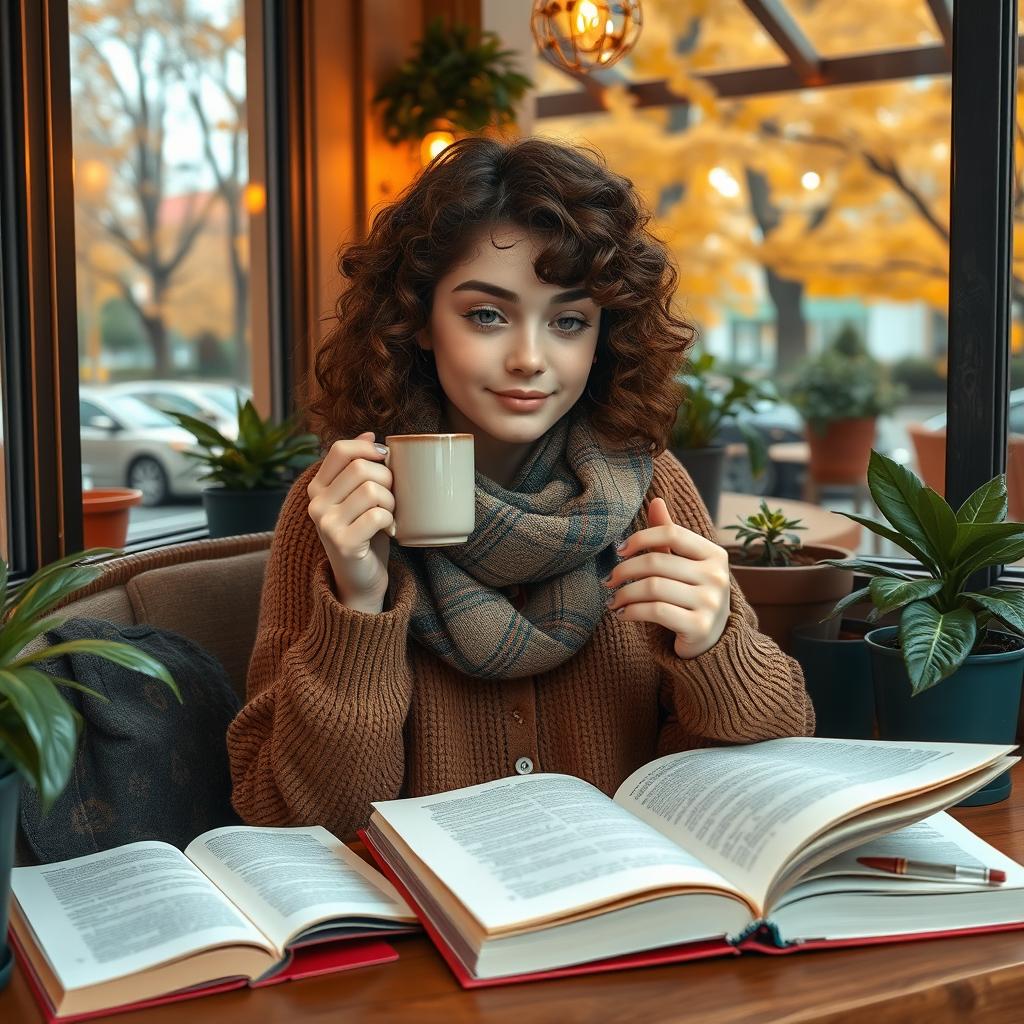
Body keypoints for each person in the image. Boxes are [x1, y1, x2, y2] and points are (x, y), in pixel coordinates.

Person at [227, 136, 814, 841]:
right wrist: (359, 601)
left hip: (629, 923)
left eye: (568, 321)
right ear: (416, 320)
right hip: (429, 942)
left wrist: (715, 644)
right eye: (487, 315)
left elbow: (777, 758)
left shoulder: (653, 486)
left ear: (604, 337)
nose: (530, 358)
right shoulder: (341, 506)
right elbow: (292, 817)